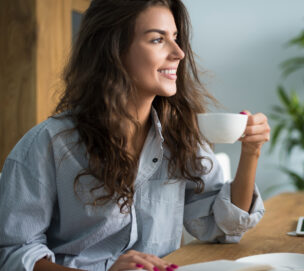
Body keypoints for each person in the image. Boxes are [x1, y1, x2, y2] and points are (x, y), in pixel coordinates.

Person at [0, 0, 270, 270]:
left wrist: (251, 152)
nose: (178, 52)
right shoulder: (47, 145)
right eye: (157, 40)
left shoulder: (180, 135)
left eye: (175, 38)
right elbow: (14, 254)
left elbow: (223, 225)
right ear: (114, 49)